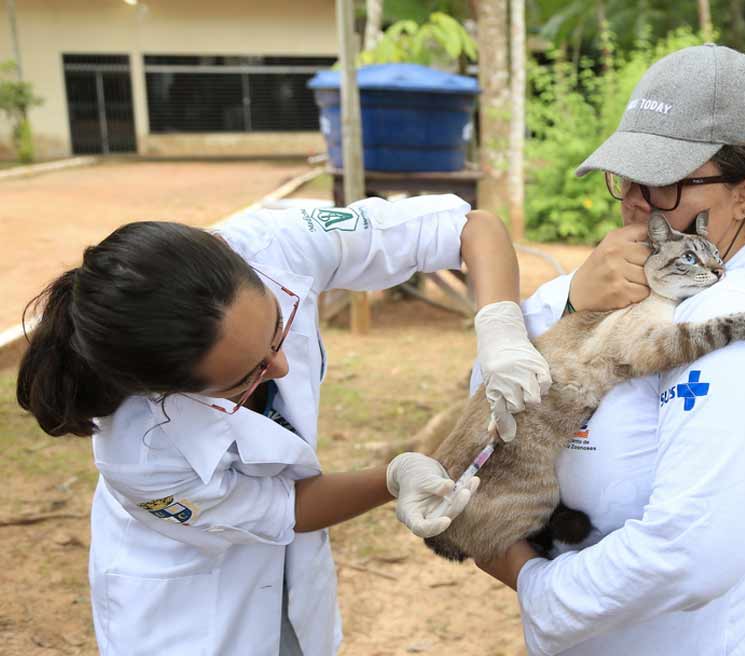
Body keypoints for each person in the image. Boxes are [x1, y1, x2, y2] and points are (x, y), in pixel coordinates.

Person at [15, 194, 551, 655]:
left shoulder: (277, 243)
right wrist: (393, 477)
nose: (283, 367)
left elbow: (470, 227)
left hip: (288, 582)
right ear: (167, 390)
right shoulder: (141, 450)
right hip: (185, 613)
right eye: (246, 375)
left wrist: (500, 327)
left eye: (277, 327)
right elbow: (284, 508)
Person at [472, 44, 745, 655]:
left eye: (665, 183)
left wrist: (536, 585)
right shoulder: (585, 286)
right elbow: (478, 432)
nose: (639, 202)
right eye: (629, 177)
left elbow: (690, 553)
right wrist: (572, 312)